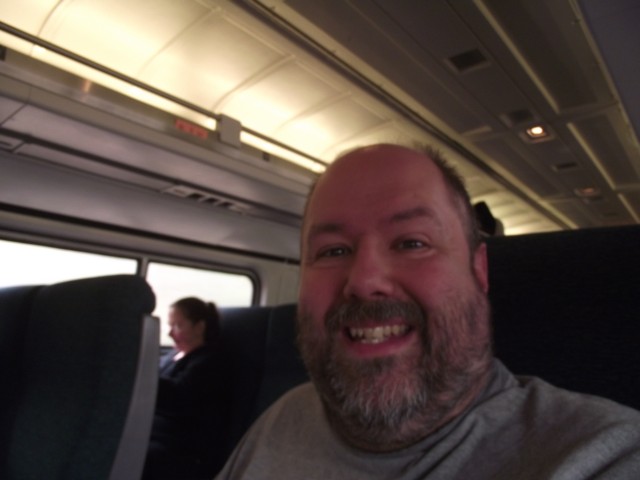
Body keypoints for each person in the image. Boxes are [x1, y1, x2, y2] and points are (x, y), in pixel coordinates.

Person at [216, 144, 640, 479]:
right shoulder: (281, 418)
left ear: (478, 270)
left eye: (412, 243)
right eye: (333, 251)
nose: (364, 280)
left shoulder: (599, 455)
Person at [143, 297, 228, 480]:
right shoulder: (172, 356)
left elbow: (178, 397)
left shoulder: (210, 362)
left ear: (199, 327)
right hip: (153, 432)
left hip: (179, 444)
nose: (170, 333)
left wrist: (144, 376)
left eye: (178, 326)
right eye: (170, 325)